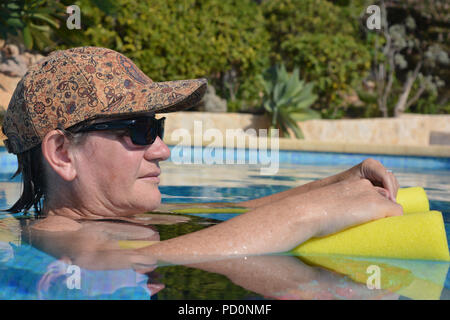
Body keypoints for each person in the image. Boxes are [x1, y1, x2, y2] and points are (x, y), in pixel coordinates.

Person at [2, 46, 403, 266]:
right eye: (139, 131)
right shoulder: (56, 239)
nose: (162, 149)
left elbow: (239, 209)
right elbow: (148, 257)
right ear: (62, 153)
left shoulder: (121, 214)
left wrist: (341, 183)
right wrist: (311, 214)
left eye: (156, 128)